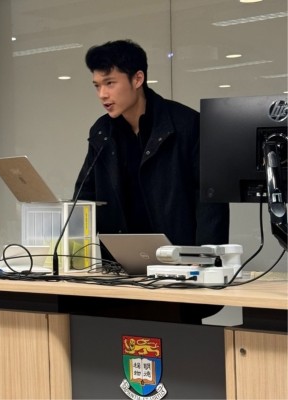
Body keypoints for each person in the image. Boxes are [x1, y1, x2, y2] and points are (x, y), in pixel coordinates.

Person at [73, 40, 230, 323]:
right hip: (121, 269)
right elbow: (84, 196)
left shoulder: (186, 125)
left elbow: (210, 201)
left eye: (110, 83)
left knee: (176, 337)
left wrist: (205, 262)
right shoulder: (102, 132)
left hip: (179, 266)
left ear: (137, 79)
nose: (102, 94)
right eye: (97, 86)